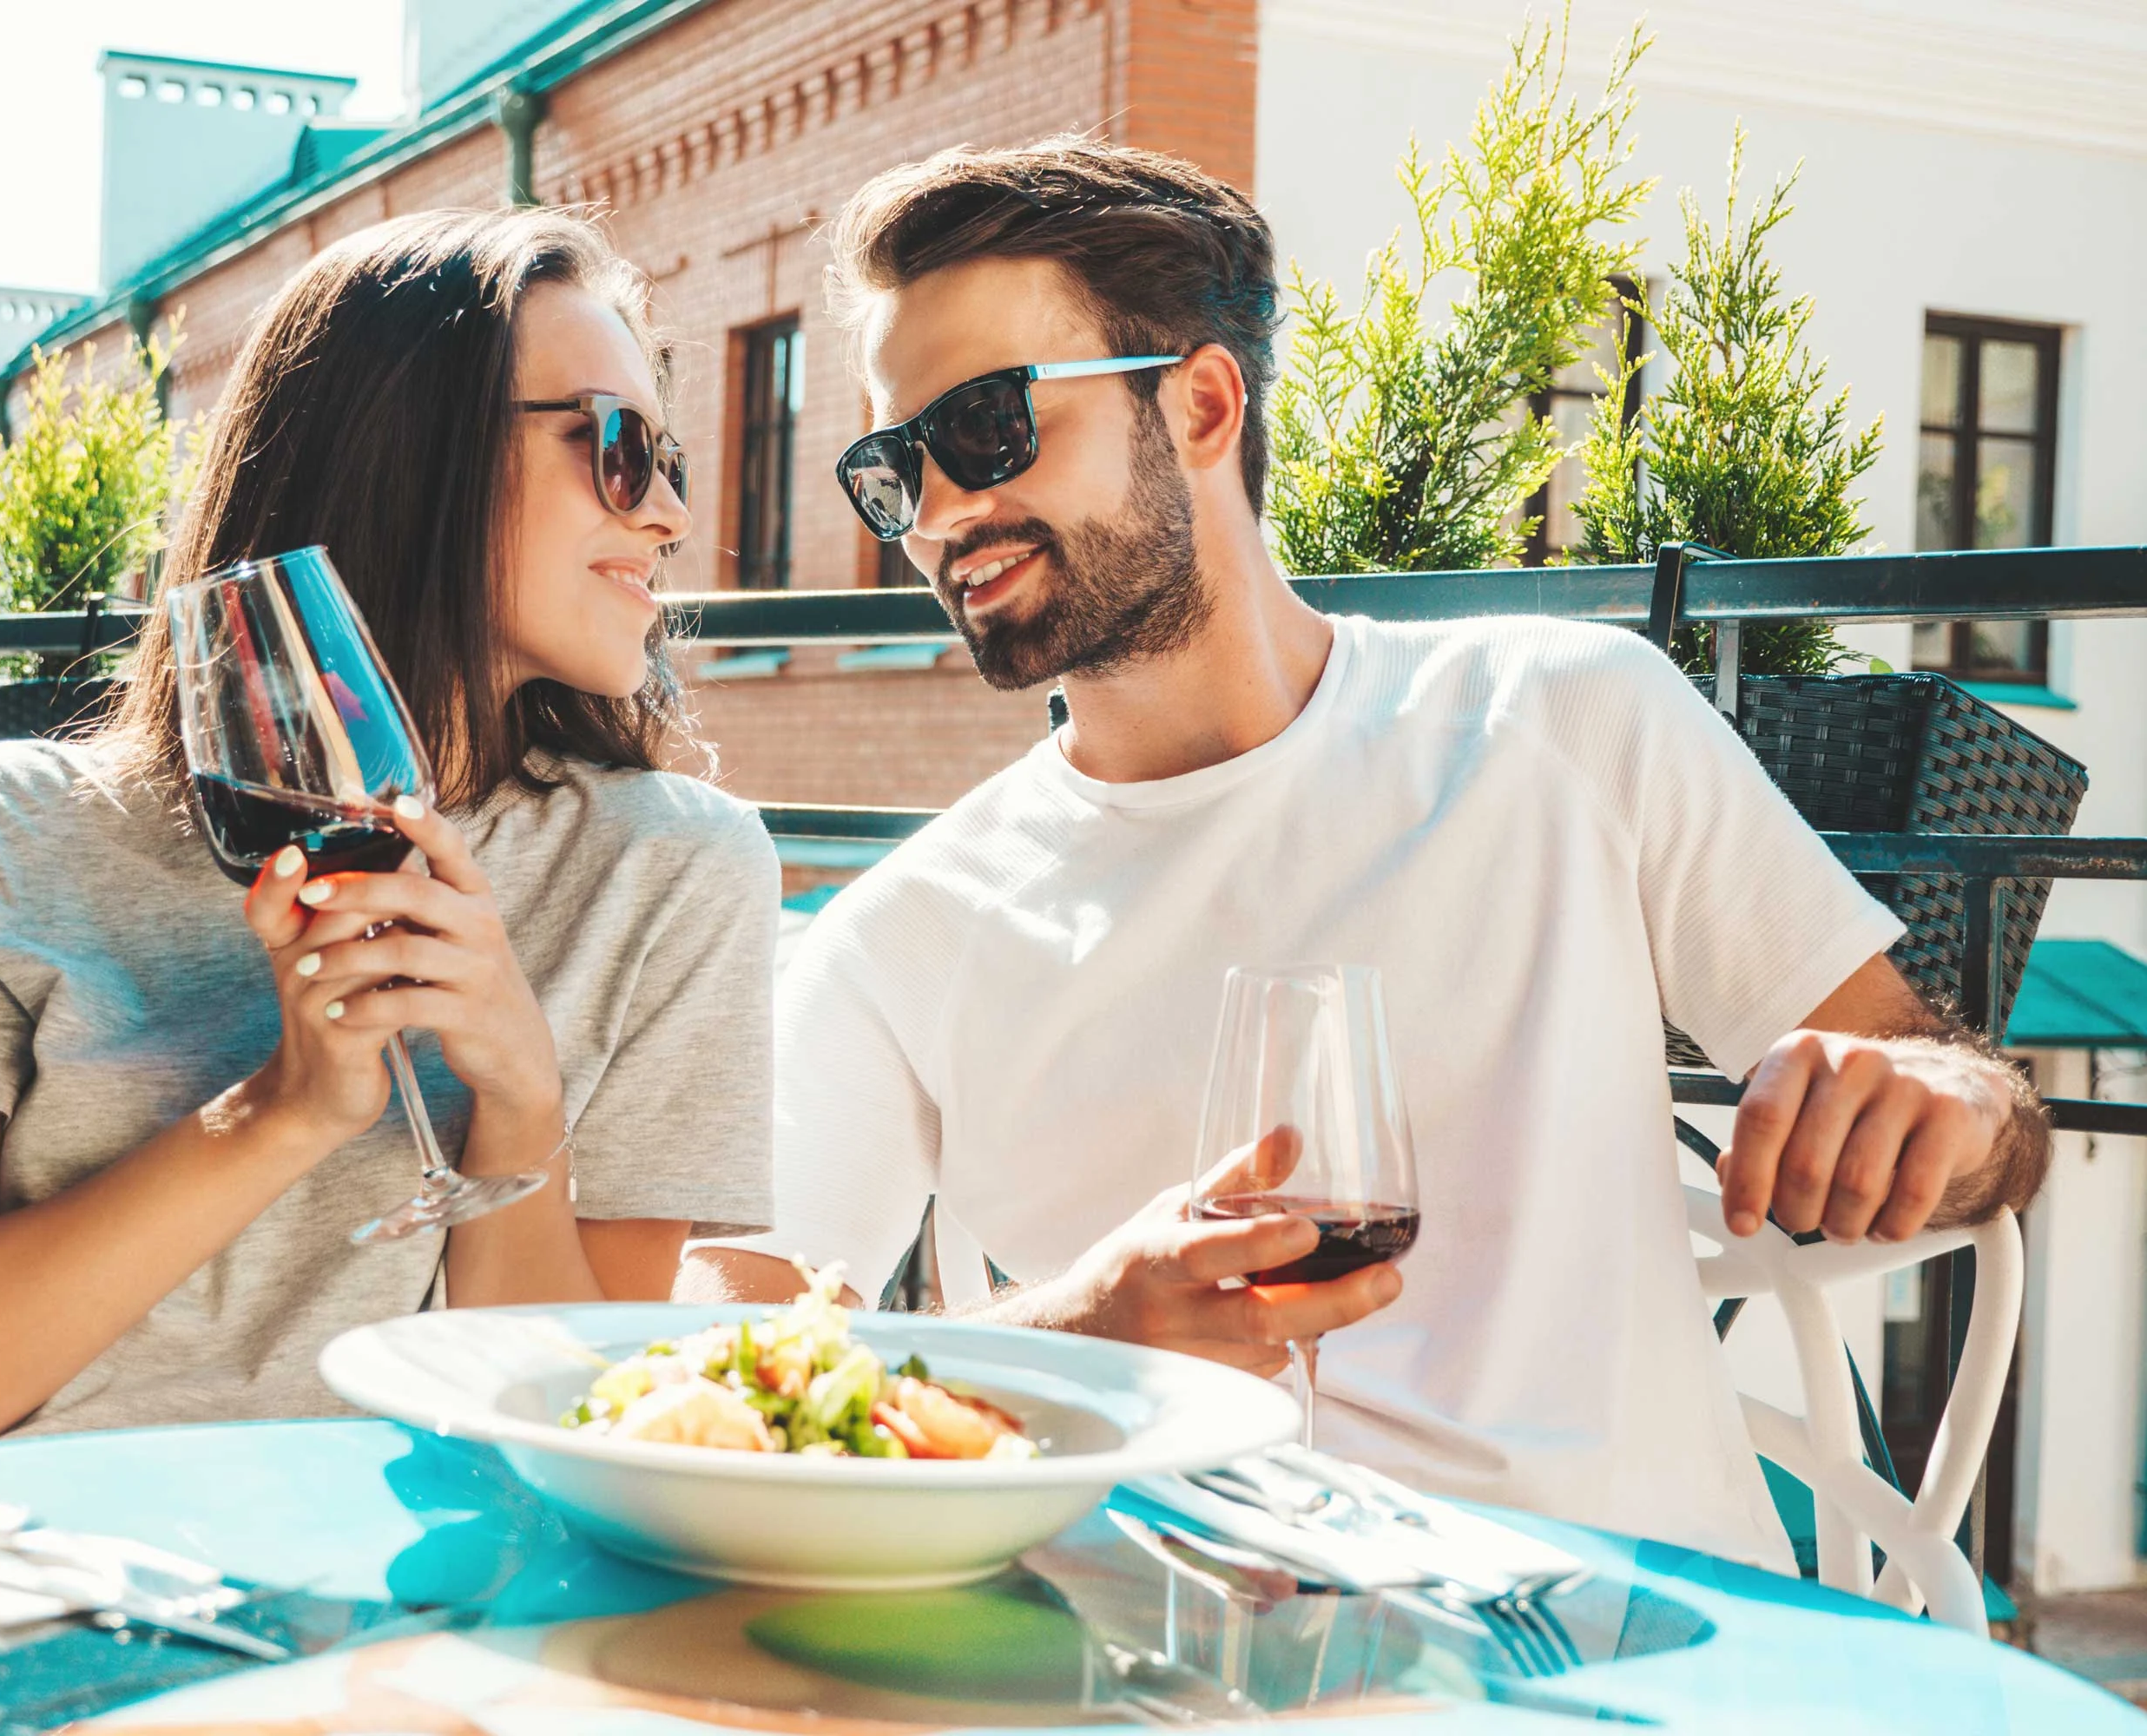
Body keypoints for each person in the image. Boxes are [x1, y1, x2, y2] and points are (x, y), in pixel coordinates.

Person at [678, 141, 2049, 1568]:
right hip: (1189, 1664)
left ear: (1203, 405)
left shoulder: (1564, 720)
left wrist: (1937, 1108)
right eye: (894, 467)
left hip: (1632, 1646)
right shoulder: (912, 934)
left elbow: (1979, 1116)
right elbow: (729, 1354)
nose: (942, 510)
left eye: (989, 429)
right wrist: (1078, 1334)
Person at [0, 208, 779, 1456]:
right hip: (15, 1590)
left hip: (419, 1618)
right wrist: (283, 1110)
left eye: (668, 460)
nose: (668, 514)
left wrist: (519, 1095)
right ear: (413, 454)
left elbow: (576, 1436)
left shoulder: (672, 873)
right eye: (617, 447)